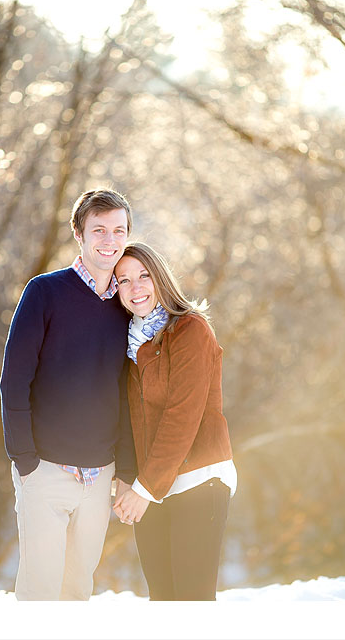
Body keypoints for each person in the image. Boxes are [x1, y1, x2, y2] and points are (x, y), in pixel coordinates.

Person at [0, 188, 138, 601]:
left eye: (119, 230)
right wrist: (26, 461)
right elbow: (14, 380)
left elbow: (128, 394)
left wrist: (125, 470)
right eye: (99, 230)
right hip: (45, 469)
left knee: (77, 589)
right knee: (40, 591)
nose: (109, 240)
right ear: (78, 233)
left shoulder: (130, 304)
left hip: (101, 475)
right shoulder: (45, 292)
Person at [112, 242, 237, 601]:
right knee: (163, 601)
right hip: (152, 486)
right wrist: (126, 478)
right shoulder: (130, 345)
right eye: (123, 281)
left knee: (191, 602)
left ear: (160, 278)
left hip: (199, 480)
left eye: (143, 276)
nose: (135, 288)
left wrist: (144, 488)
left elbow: (182, 415)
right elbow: (129, 419)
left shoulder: (190, 330)